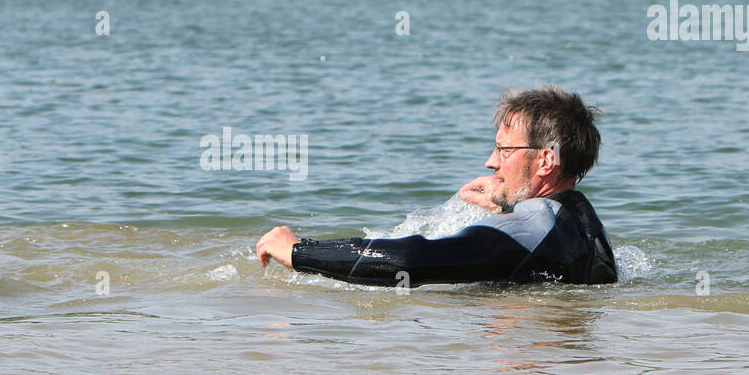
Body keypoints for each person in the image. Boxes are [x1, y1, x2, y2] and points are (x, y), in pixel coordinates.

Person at [255, 86, 617, 286]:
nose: (491, 163)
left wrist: (300, 252)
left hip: (529, 363)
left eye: (504, 150)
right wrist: (509, 206)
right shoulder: (583, 220)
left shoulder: (533, 224)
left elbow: (412, 261)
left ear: (545, 161)